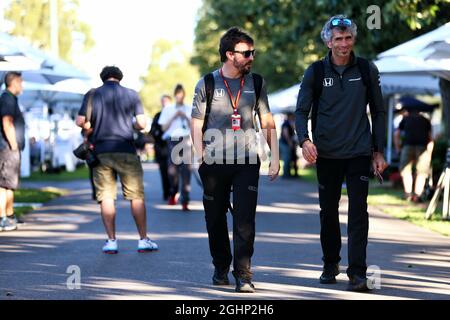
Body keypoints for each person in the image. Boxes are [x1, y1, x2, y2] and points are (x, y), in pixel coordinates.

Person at [295, 15, 388, 292]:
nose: (344, 44)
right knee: (328, 212)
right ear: (328, 41)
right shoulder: (315, 71)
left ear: (353, 39)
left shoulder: (366, 69)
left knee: (359, 213)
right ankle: (330, 263)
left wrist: (378, 151)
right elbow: (301, 111)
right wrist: (304, 141)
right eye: (338, 38)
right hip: (327, 154)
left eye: (348, 38)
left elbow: (379, 112)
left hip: (359, 152)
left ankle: (357, 272)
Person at [191, 27, 280, 293]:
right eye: (246, 53)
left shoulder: (256, 83)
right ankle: (221, 266)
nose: (252, 57)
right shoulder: (206, 83)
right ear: (230, 54)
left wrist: (274, 157)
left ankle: (243, 274)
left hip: (246, 161)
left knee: (244, 220)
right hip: (214, 162)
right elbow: (196, 122)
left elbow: (266, 120)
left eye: (253, 52)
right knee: (215, 218)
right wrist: (200, 153)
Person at [76, 66, 158, 254]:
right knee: (135, 196)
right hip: (126, 149)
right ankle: (143, 240)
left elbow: (80, 121)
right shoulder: (131, 94)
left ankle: (111, 241)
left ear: (103, 78)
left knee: (106, 196)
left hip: (101, 152)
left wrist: (91, 123)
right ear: (120, 78)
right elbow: (142, 124)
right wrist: (133, 125)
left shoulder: (92, 95)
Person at [158, 84, 192, 211]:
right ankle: (173, 192)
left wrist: (185, 116)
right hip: (172, 140)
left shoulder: (189, 108)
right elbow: (163, 128)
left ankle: (185, 199)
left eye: (181, 94)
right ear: (175, 95)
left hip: (186, 140)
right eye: (177, 94)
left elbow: (193, 126)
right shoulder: (168, 109)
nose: (180, 97)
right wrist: (174, 116)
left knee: (186, 171)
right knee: (172, 171)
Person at [0, 71, 25, 232]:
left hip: (10, 148)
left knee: (10, 184)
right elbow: (7, 122)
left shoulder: (11, 98)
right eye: (21, 82)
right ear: (14, 82)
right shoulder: (7, 98)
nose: (22, 85)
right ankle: (2, 218)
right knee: (3, 184)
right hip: (7, 148)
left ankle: (9, 215)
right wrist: (14, 144)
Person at [394, 108, 433, 203]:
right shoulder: (425, 120)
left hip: (408, 146)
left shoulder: (406, 119)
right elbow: (430, 138)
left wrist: (398, 148)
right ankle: (417, 195)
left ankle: (408, 194)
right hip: (422, 147)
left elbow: (396, 134)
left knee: (405, 171)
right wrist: (430, 152)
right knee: (422, 172)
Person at [150, 95, 172, 201]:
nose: (164, 103)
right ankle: (167, 193)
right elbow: (152, 131)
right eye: (163, 101)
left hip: (175, 148)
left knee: (174, 172)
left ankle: (174, 191)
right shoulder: (158, 115)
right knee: (164, 171)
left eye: (166, 101)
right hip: (162, 148)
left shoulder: (174, 114)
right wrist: (158, 133)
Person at [279, 112, 298, 178]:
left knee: (289, 158)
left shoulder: (290, 123)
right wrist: (290, 143)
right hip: (285, 143)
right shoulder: (286, 124)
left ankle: (288, 174)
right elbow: (285, 134)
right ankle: (286, 175)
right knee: (286, 159)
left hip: (287, 143)